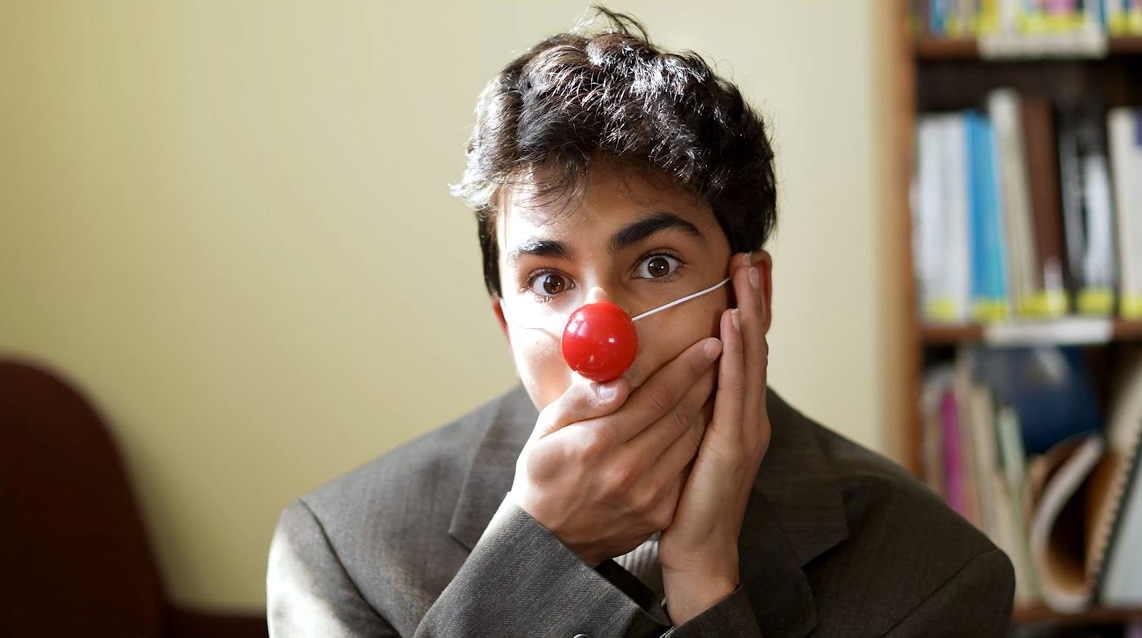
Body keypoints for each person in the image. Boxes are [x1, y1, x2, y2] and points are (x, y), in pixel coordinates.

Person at [266, 7, 1015, 636]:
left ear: (749, 295)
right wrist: (537, 554)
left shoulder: (935, 576)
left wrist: (707, 586)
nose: (601, 339)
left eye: (656, 264)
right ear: (504, 323)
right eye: (550, 280)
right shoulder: (345, 553)